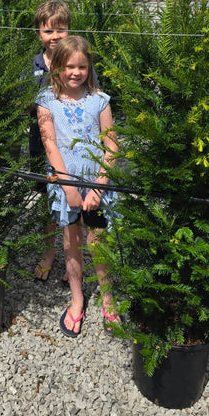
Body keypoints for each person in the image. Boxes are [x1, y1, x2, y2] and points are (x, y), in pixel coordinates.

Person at [35, 35, 120, 337]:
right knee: (71, 243)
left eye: (82, 67)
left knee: (98, 242)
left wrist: (99, 186)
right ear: (57, 67)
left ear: (89, 68)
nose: (75, 72)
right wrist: (68, 187)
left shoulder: (100, 101)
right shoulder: (46, 102)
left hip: (96, 184)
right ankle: (77, 298)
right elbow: (50, 145)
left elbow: (111, 145)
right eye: (69, 66)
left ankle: (108, 298)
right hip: (65, 187)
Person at [30, 0, 71, 283]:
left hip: (71, 144)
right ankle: (49, 253)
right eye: (48, 31)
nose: (54, 36)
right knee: (46, 200)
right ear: (39, 34)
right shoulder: (34, 65)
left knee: (72, 199)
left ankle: (73, 258)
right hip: (40, 144)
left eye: (61, 29)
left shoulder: (78, 61)